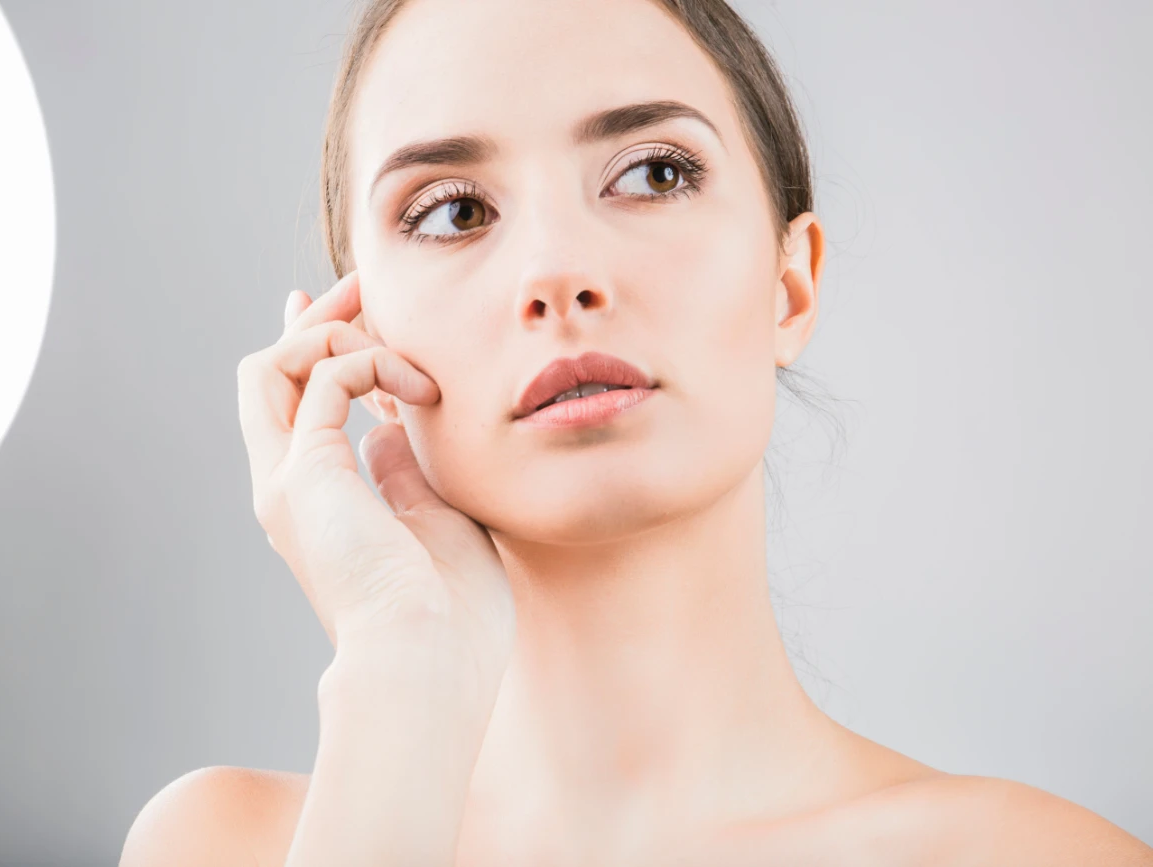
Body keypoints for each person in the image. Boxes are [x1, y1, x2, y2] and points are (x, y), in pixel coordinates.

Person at [121, 0, 1153, 864]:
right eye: (452, 212)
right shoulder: (223, 846)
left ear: (790, 286)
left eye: (654, 173)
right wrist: (400, 680)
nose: (557, 272)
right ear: (361, 348)